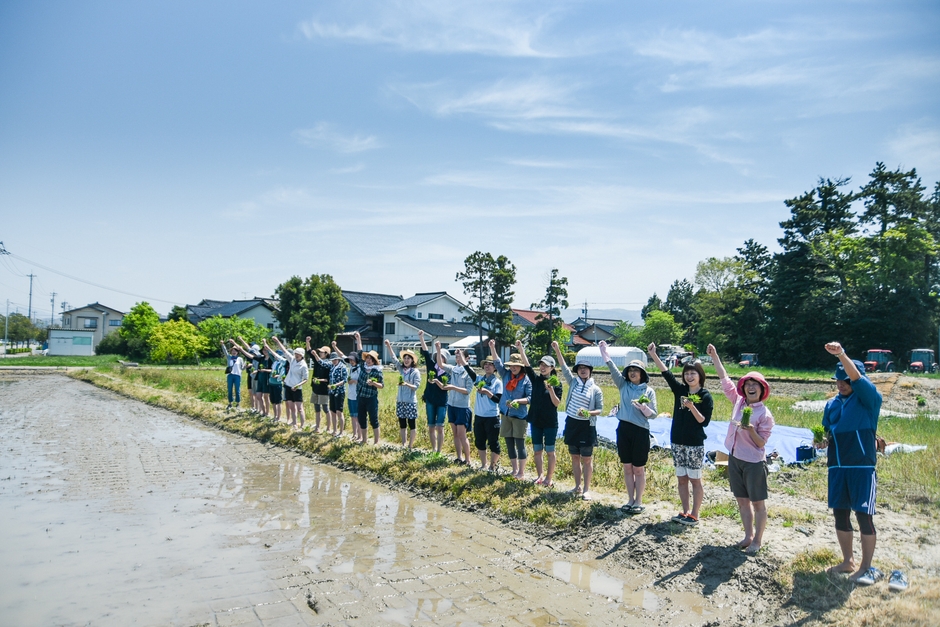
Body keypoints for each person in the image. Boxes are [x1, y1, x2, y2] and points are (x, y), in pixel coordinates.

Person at [822, 342, 883, 585]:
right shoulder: (832, 403)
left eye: (845, 380)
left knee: (863, 515)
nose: (841, 383)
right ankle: (848, 561)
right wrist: (822, 441)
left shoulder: (869, 400)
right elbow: (827, 431)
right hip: (837, 467)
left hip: (861, 467)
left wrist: (841, 354)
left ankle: (866, 566)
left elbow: (857, 380)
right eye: (837, 380)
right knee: (840, 514)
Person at [707, 343, 774, 553]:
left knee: (758, 504)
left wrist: (751, 429)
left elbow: (762, 443)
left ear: (762, 389)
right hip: (734, 458)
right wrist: (715, 356)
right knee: (742, 501)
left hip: (754, 463)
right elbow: (724, 380)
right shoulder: (738, 402)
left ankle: (758, 541)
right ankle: (748, 536)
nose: (751, 387)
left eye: (756, 384)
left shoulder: (764, 414)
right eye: (748, 384)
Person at [648, 342, 713, 526]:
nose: (689, 376)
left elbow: (703, 421)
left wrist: (692, 407)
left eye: (693, 373)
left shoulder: (705, 396)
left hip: (694, 444)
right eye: (687, 373)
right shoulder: (680, 391)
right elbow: (666, 374)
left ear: (700, 375)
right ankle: (684, 511)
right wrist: (653, 355)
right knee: (682, 479)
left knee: (695, 479)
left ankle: (695, 514)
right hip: (677, 441)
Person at [599, 341, 657, 513]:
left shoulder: (648, 391)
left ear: (642, 374)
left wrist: (644, 408)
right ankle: (630, 499)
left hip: (640, 431)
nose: (632, 373)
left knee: (638, 468)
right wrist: (603, 351)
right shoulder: (623, 385)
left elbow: (653, 414)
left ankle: (639, 501)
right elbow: (611, 366)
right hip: (623, 429)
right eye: (630, 370)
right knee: (627, 466)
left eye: (636, 370)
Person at [552, 341, 604, 499]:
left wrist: (588, 413)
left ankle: (587, 489)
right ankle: (577, 486)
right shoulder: (573, 382)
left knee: (587, 459)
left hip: (587, 426)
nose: (582, 370)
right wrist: (557, 349)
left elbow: (600, 410)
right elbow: (563, 366)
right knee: (574, 457)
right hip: (572, 423)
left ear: (589, 371)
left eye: (585, 368)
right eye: (580, 368)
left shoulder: (595, 389)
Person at [517, 340, 562, 488]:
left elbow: (557, 404)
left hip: (550, 422)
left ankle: (549, 478)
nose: (542, 367)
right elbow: (527, 364)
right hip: (535, 421)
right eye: (541, 365)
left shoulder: (557, 384)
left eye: (545, 365)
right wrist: (520, 349)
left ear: (552, 368)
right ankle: (540, 476)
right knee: (537, 450)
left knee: (550, 451)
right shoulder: (536, 380)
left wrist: (550, 390)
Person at [435, 342, 474, 465]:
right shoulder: (453, 369)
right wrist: (438, 349)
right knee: (455, 434)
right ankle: (459, 457)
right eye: (457, 357)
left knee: (462, 435)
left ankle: (468, 460)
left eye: (461, 356)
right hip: (451, 405)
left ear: (467, 358)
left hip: (462, 407)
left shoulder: (469, 372)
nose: (458, 358)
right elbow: (440, 364)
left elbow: (467, 391)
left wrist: (453, 387)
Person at [385, 339, 422, 449]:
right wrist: (388, 346)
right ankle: (403, 443)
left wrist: (406, 384)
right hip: (400, 400)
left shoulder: (415, 372)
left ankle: (410, 446)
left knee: (412, 424)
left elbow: (416, 387)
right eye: (405, 358)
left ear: (412, 360)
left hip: (410, 401)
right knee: (402, 424)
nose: (406, 360)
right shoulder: (402, 370)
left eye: (408, 358)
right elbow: (394, 359)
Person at [418, 330, 448, 454]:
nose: (438, 358)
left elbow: (445, 387)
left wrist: (436, 381)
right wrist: (421, 338)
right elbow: (425, 352)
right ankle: (433, 449)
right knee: (431, 426)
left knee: (440, 427)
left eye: (441, 357)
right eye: (437, 356)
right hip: (430, 399)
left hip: (441, 402)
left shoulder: (447, 371)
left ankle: (439, 451)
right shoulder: (431, 366)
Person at [352, 331, 384, 444]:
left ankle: (376, 442)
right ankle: (364, 440)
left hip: (371, 398)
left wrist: (374, 384)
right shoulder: (363, 366)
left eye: (371, 358)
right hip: (361, 396)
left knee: (373, 420)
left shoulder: (377, 370)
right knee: (361, 419)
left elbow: (382, 385)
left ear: (374, 360)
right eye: (368, 358)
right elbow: (360, 351)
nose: (368, 359)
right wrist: (359, 338)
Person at [473, 355, 503, 471]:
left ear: (495, 368)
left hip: (492, 416)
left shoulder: (497, 382)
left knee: (493, 442)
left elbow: (497, 399)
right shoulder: (479, 379)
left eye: (490, 364)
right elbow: (469, 371)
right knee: (479, 441)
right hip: (479, 415)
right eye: (486, 364)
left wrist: (486, 392)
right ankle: (483, 464)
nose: (487, 366)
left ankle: (492, 466)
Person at [331, 341, 360, 441]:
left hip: (358, 395)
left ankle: (359, 436)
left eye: (352, 360)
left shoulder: (360, 368)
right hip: (350, 394)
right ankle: (354, 434)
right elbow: (342, 355)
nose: (351, 361)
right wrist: (335, 347)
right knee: (352, 416)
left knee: (358, 416)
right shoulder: (351, 367)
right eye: (350, 360)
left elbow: (362, 381)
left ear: (356, 360)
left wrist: (353, 381)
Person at [305, 338, 332, 432]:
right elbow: (309, 351)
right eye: (319, 352)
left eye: (322, 352)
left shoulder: (329, 363)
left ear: (326, 354)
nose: (320, 353)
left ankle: (328, 428)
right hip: (315, 388)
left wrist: (320, 380)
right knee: (316, 408)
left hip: (324, 389)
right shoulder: (317, 360)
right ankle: (318, 427)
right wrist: (307, 341)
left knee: (325, 408)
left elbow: (328, 379)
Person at [282, 345, 309, 431]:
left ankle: (303, 425)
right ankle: (294, 424)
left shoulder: (304, 365)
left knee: (300, 408)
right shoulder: (292, 360)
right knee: (292, 407)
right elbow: (285, 351)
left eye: (298, 354)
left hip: (297, 389)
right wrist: (277, 341)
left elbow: (306, 379)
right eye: (295, 353)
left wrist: (297, 385)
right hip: (288, 386)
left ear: (302, 355)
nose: (296, 355)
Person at [262, 339, 285, 423]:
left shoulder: (282, 363)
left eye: (278, 355)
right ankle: (275, 416)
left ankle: (278, 417)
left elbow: (283, 375)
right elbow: (269, 351)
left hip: (278, 384)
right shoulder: (274, 361)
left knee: (278, 401)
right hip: (271, 383)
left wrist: (277, 376)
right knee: (273, 401)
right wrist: (265, 343)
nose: (276, 356)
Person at [326, 351, 348, 436]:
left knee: (339, 411)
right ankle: (334, 430)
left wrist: (335, 385)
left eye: (335, 359)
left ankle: (341, 432)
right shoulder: (332, 366)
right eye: (332, 360)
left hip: (340, 391)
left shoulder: (343, 367)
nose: (334, 361)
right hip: (331, 391)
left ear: (338, 359)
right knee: (333, 411)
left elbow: (345, 380)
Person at [221, 339, 244, 409]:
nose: (234, 352)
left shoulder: (240, 359)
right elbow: (225, 351)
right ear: (231, 351)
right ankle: (230, 403)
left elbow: (242, 368)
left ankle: (238, 403)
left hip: (237, 375)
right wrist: (222, 344)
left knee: (237, 390)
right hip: (230, 375)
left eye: (235, 351)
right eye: (233, 351)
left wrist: (246, 366)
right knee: (230, 389)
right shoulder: (229, 357)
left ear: (237, 352)